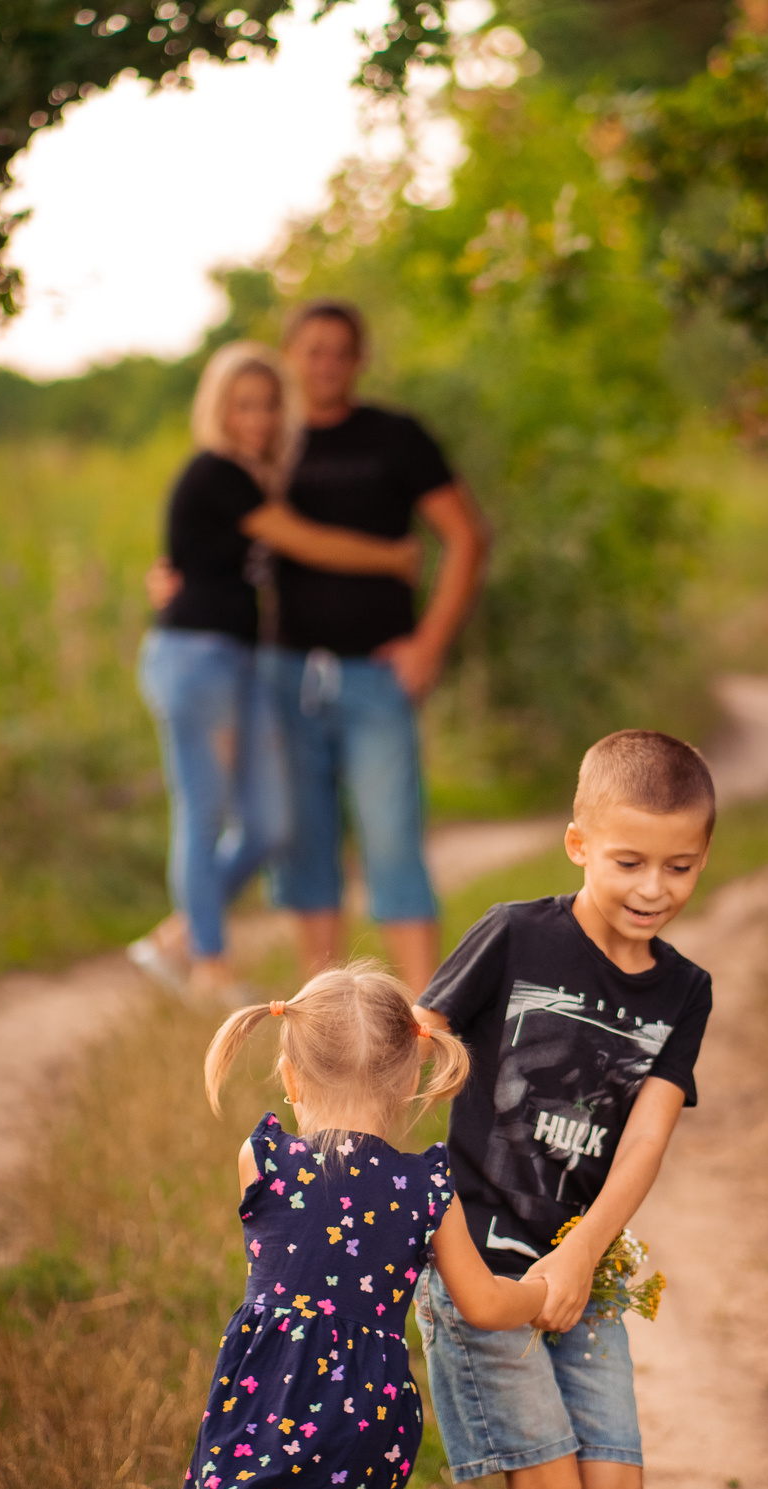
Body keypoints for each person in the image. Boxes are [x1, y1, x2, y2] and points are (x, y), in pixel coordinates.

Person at [409, 731, 719, 1489]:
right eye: (630, 862)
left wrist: (583, 1250)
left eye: (680, 866)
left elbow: (643, 1140)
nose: (653, 888)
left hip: (579, 1264)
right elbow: (420, 1046)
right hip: (478, 1257)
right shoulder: (516, 936)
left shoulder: (683, 991)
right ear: (578, 843)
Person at [163, 964, 547, 1489]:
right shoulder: (427, 1186)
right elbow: (484, 1303)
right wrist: (542, 1291)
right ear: (409, 1080)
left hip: (280, 1408)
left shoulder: (262, 1158)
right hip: (373, 1419)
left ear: (289, 1074)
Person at [132, 342, 424, 1001]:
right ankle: (209, 963)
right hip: (196, 656)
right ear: (218, 408)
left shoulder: (254, 477)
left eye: (267, 405)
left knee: (271, 824)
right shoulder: (217, 471)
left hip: (241, 660)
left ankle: (173, 938)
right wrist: (394, 558)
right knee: (203, 808)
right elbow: (305, 542)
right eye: (243, 405)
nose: (257, 419)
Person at [266, 300, 489, 992]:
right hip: (285, 674)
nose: (327, 363)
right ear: (290, 356)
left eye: (341, 351)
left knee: (392, 841)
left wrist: (430, 642)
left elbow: (466, 536)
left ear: (359, 360)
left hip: (375, 680)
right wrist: (170, 580)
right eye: (313, 350)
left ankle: (425, 1017)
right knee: (306, 850)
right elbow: (217, 532)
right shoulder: (269, 441)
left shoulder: (395, 436)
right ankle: (319, 1022)